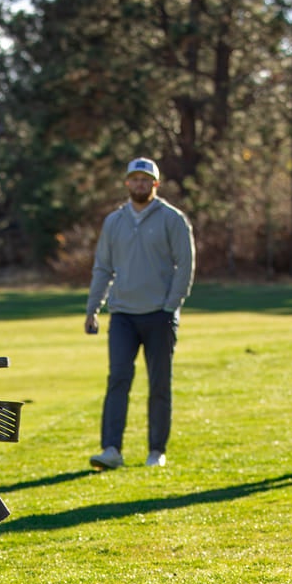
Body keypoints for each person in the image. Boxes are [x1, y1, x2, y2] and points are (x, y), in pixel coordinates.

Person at [85, 157, 195, 470]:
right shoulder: (114, 222)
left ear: (155, 185)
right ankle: (111, 450)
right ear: (127, 183)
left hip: (159, 314)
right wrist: (93, 308)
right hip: (122, 315)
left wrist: (171, 305)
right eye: (134, 179)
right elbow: (103, 268)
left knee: (159, 383)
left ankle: (156, 451)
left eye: (145, 180)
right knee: (118, 379)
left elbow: (185, 265)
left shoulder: (172, 219)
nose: (139, 184)